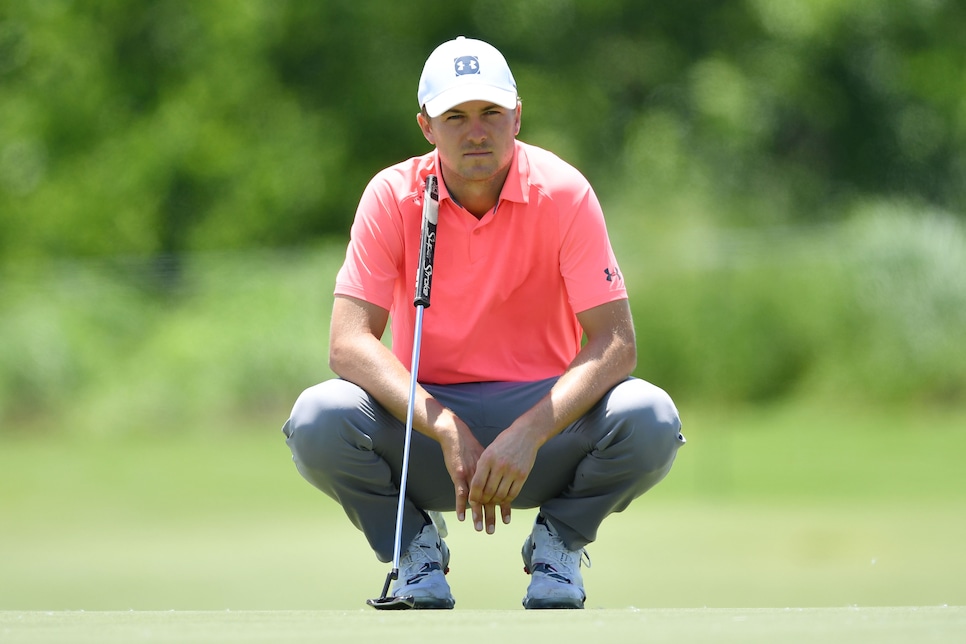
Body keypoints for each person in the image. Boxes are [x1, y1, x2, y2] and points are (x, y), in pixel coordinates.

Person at [282, 36, 685, 610]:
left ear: (517, 116)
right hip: (425, 426)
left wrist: (528, 433)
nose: (477, 131)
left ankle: (559, 543)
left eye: (491, 113)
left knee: (650, 417)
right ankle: (413, 547)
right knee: (318, 418)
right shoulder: (392, 195)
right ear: (427, 126)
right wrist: (444, 425)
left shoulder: (564, 192)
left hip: (546, 427)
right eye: (457, 116)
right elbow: (348, 343)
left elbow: (616, 344)